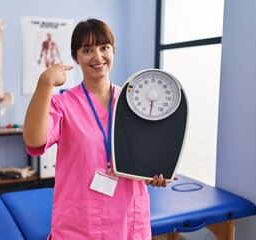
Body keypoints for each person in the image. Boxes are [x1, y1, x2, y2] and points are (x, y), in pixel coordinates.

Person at [23, 18, 172, 240]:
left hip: (128, 215)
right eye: (87, 50)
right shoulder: (63, 105)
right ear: (76, 56)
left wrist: (154, 174)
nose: (98, 57)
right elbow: (34, 140)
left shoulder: (134, 101)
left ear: (113, 50)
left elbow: (146, 153)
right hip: (81, 221)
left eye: (104, 48)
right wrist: (45, 82)